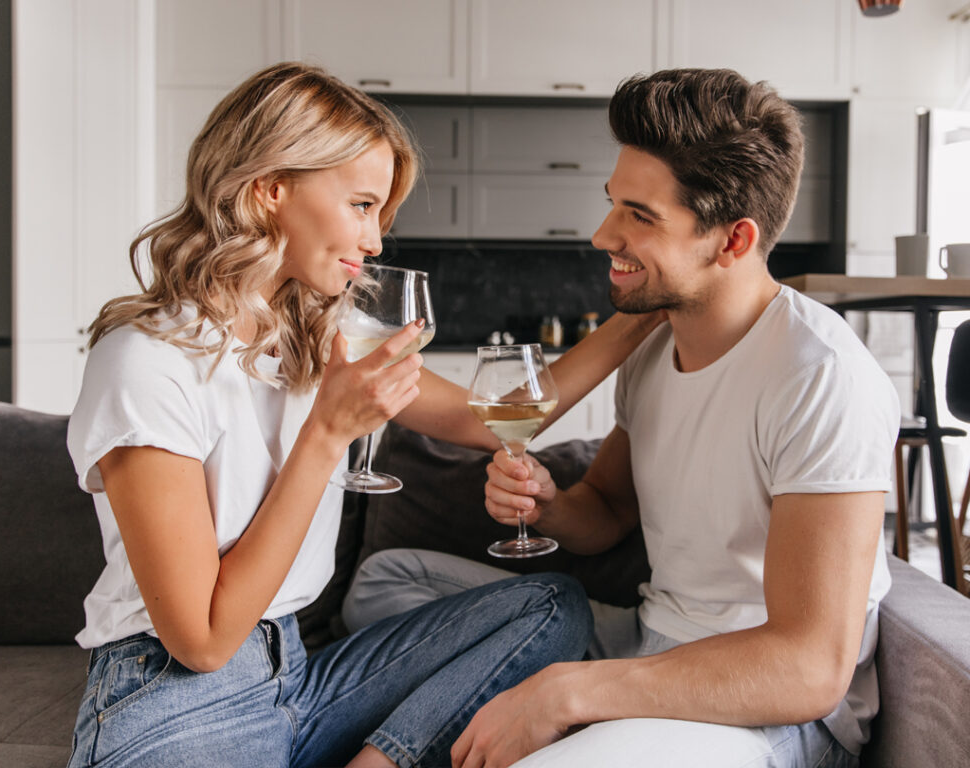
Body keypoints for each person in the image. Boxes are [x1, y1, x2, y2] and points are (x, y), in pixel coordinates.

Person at [64, 62, 663, 768]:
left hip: (293, 676)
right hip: (174, 696)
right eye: (360, 205)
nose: (376, 240)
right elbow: (202, 639)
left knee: (550, 608)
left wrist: (647, 305)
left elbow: (484, 421)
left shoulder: (320, 337)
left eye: (381, 213)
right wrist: (327, 433)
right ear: (269, 190)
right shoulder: (145, 362)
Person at [342, 68, 900, 768]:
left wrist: (565, 693)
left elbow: (809, 669)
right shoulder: (654, 346)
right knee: (387, 581)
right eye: (613, 204)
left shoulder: (820, 377)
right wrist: (547, 505)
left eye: (640, 214)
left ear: (731, 241)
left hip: (764, 709)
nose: (603, 234)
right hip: (645, 640)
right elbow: (604, 511)